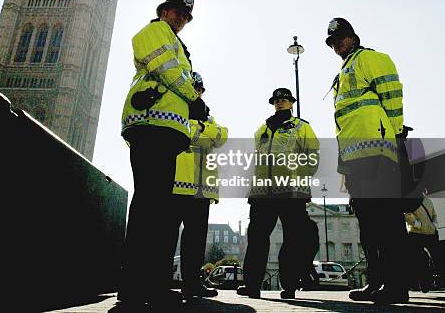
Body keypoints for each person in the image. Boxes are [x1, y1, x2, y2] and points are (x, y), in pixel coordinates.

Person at [118, 0, 209, 307]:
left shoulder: (177, 44)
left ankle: (151, 281)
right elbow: (168, 70)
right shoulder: (155, 31)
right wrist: (194, 98)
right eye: (177, 13)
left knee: (156, 209)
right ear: (164, 11)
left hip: (166, 130)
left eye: (186, 16)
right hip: (150, 124)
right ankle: (133, 283)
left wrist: (192, 103)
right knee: (148, 207)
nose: (181, 19)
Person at [326, 17, 409, 305]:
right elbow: (343, 124)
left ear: (354, 38)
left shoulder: (371, 59)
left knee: (386, 220)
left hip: (378, 152)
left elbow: (393, 96)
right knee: (369, 225)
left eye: (341, 38)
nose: (336, 44)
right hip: (355, 158)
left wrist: (397, 136)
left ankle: (397, 284)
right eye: (333, 42)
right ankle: (376, 282)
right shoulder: (344, 71)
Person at [237, 88, 320, 300]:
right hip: (262, 192)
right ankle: (252, 285)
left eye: (284, 100)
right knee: (256, 238)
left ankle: (290, 285)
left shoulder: (302, 127)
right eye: (276, 100)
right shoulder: (261, 129)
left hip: (291, 191)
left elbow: (313, 157)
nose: (280, 103)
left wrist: (299, 177)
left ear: (292, 103)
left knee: (292, 239)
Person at [170, 72, 228, 300]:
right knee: (166, 237)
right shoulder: (174, 109)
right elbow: (185, 131)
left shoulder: (208, 116)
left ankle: (192, 284)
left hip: (202, 188)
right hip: (175, 183)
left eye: (198, 88)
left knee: (195, 240)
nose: (195, 92)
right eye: (192, 87)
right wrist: (203, 131)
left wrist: (200, 129)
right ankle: (160, 282)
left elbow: (223, 135)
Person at [405, 194, 439, 292]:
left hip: (430, 233)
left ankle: (434, 281)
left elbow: (434, 214)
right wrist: (417, 224)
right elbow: (407, 214)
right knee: (418, 260)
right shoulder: (410, 198)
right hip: (416, 233)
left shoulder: (427, 199)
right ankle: (423, 283)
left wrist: (434, 225)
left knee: (436, 258)